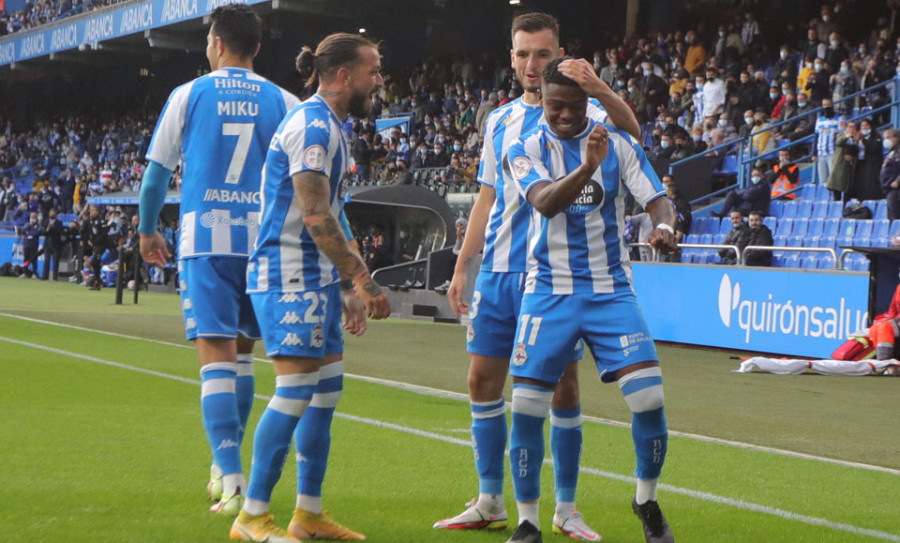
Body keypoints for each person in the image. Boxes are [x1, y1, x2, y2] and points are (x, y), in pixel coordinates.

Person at [438, 12, 640, 543]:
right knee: (482, 380)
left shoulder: (586, 110)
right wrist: (464, 265)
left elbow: (635, 137)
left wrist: (599, 86)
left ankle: (566, 508)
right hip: (501, 271)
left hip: (555, 275)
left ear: (559, 56)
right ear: (511, 57)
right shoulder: (499, 121)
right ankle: (489, 500)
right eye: (524, 54)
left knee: (563, 387)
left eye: (543, 54)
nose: (532, 64)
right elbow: (487, 196)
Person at [503, 56, 675, 543]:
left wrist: (663, 225)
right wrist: (586, 167)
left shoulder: (614, 141)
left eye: (575, 107)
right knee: (529, 407)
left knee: (649, 398)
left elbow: (656, 197)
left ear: (588, 104)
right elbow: (545, 202)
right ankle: (529, 521)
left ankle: (646, 499)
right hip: (547, 293)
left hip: (609, 290)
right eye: (557, 106)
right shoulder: (524, 147)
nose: (565, 116)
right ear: (541, 101)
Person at [138, 4, 299, 517]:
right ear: (255, 47)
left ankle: (231, 479)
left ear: (216, 42)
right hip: (264, 244)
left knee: (215, 356)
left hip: (207, 240)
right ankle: (224, 465)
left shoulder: (188, 94)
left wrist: (147, 231)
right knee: (245, 354)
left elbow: (157, 175)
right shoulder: (286, 100)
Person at [236, 33, 391, 542]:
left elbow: (333, 212)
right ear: (344, 76)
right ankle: (252, 517)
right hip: (288, 277)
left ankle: (309, 513)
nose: (379, 79)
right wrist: (363, 279)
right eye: (373, 70)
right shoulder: (313, 127)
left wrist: (344, 286)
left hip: (316, 278)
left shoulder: (330, 126)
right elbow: (315, 213)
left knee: (324, 395)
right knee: (295, 391)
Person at [813, 98, 843, 185]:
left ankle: (834, 197)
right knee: (823, 180)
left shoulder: (839, 119)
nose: (826, 107)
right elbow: (816, 137)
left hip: (832, 153)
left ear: (832, 105)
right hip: (820, 153)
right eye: (824, 105)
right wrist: (814, 153)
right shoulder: (819, 120)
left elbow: (841, 136)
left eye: (828, 105)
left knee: (833, 178)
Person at [881, 129, 900, 221]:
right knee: (891, 217)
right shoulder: (891, 152)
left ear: (896, 137)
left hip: (896, 189)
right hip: (888, 188)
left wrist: (897, 181)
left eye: (888, 137)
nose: (886, 140)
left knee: (895, 216)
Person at [41, 208, 64, 281]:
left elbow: (59, 232)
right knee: (46, 261)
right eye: (50, 212)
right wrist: (47, 229)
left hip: (55, 244)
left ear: (56, 214)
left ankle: (54, 277)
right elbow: (43, 232)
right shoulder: (45, 222)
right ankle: (45, 276)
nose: (51, 214)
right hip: (47, 244)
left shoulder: (59, 223)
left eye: (53, 213)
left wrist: (51, 228)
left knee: (55, 262)